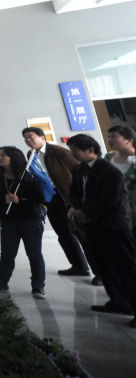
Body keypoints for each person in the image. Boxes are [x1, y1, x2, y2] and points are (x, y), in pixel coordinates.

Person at [66, 134, 136, 324]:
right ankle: (118, 302)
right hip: (92, 226)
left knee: (126, 268)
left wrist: (87, 212)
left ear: (90, 150)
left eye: (76, 151)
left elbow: (110, 198)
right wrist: (77, 209)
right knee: (104, 267)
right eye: (71, 150)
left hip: (113, 225)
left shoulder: (110, 171)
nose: (73, 154)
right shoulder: (79, 169)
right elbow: (75, 192)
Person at [21, 127, 91, 277]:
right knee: (63, 232)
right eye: (25, 138)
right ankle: (79, 266)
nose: (28, 140)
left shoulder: (58, 151)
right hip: (50, 197)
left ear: (42, 137)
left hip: (67, 196)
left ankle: (99, 272)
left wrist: (79, 195)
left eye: (31, 137)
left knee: (81, 233)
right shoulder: (31, 155)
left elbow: (78, 171)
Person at [0, 146, 46, 297]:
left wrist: (21, 200)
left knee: (34, 254)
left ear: (13, 158)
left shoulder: (28, 174)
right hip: (8, 220)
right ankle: (1, 283)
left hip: (31, 220)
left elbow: (41, 198)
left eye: (3, 155)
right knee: (7, 254)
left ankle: (38, 286)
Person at [105, 124, 136, 235]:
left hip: (131, 209)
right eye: (109, 137)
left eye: (114, 137)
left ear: (129, 140)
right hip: (113, 208)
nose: (110, 140)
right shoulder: (108, 157)